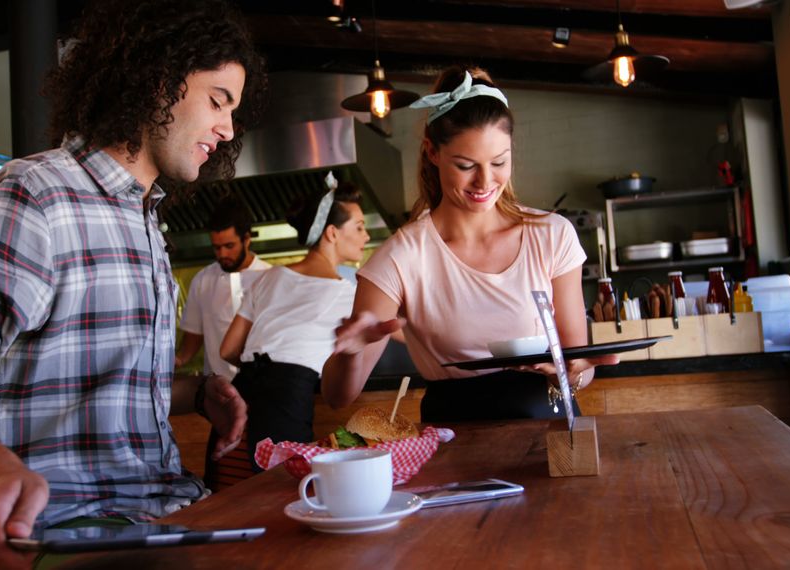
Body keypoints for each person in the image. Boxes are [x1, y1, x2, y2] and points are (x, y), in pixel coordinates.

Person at [0, 1, 267, 567]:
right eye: (217, 101)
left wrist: (198, 394)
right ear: (158, 79)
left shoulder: (145, 222)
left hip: (169, 515)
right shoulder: (37, 194)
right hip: (77, 529)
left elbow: (90, 383)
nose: (229, 128)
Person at [323, 67, 617, 421]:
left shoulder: (552, 235)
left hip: (550, 433)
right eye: (465, 165)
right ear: (432, 152)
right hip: (453, 440)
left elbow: (580, 369)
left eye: (499, 162)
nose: (485, 181)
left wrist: (573, 370)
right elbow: (339, 397)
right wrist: (350, 354)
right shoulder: (401, 257)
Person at [219, 177, 370, 468]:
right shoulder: (348, 291)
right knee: (284, 491)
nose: (366, 236)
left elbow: (227, 350)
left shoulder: (269, 277)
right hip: (287, 396)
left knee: (238, 493)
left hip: (239, 394)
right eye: (359, 227)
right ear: (332, 233)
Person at [175, 197, 271, 380]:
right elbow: (193, 335)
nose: (222, 254)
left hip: (264, 387)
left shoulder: (270, 278)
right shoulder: (203, 280)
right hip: (220, 389)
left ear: (246, 239)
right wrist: (177, 360)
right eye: (216, 248)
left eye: (229, 246)